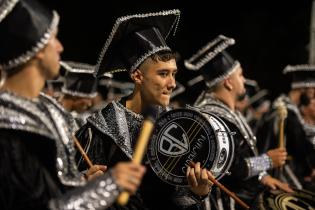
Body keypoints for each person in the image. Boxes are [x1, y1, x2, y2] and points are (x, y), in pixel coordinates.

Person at [0, 0, 146, 209]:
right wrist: (107, 186)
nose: (60, 47)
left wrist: (83, 182)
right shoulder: (7, 128)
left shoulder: (46, 108)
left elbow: (51, 188)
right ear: (38, 47)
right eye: (53, 38)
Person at [76, 9, 213, 210]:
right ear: (137, 76)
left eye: (174, 74)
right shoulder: (100, 128)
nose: (172, 83)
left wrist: (197, 193)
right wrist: (84, 185)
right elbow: (71, 191)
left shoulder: (177, 124)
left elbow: (177, 200)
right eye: (163, 73)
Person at [184, 34, 292, 209]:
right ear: (228, 83)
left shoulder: (229, 111)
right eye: (240, 75)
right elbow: (232, 169)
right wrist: (267, 161)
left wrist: (263, 177)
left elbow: (242, 155)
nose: (243, 80)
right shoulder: (213, 117)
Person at [256, 64, 315, 191]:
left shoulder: (284, 108)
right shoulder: (285, 112)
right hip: (278, 171)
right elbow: (300, 146)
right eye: (312, 90)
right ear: (303, 89)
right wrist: (310, 168)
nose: (313, 96)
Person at [59, 61, 98, 127]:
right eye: (88, 98)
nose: (89, 104)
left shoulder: (78, 121)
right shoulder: (54, 115)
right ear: (75, 96)